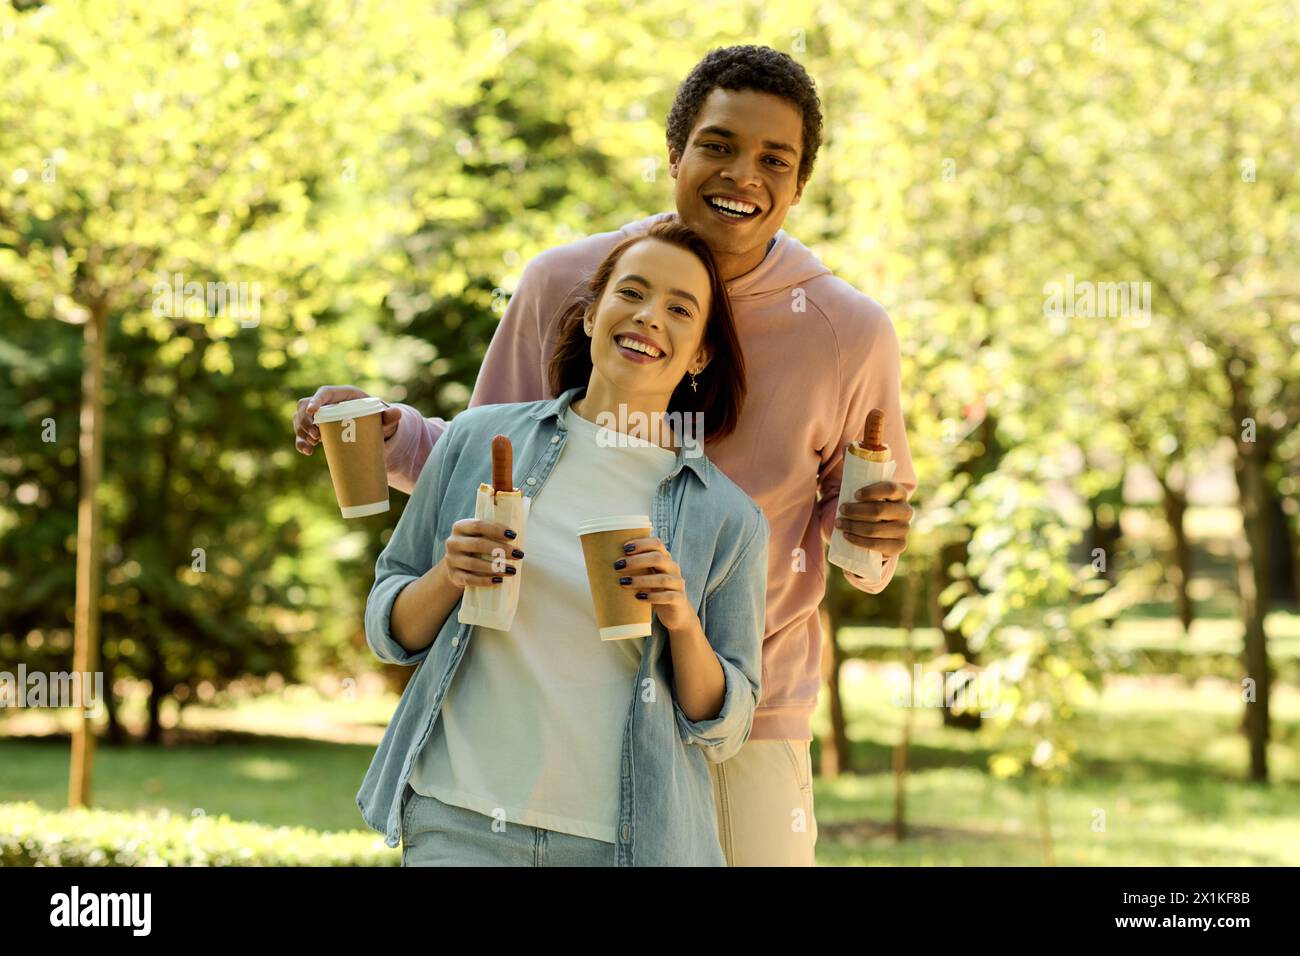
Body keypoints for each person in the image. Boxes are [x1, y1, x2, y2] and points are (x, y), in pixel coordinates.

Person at [299, 45, 916, 866]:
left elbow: (864, 539)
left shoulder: (848, 330)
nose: (743, 176)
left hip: (742, 707)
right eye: (718, 145)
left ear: (800, 185)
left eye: (776, 159)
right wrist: (395, 437)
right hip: (553, 701)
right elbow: (501, 458)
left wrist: (872, 534)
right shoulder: (567, 281)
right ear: (675, 152)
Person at [355, 219, 770, 866]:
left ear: (701, 354)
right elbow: (390, 630)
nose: (649, 316)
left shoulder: (727, 518)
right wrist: (448, 575)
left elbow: (725, 723)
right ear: (590, 314)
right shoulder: (476, 440)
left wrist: (681, 620)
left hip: (621, 843)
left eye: (679, 308)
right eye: (630, 293)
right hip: (457, 818)